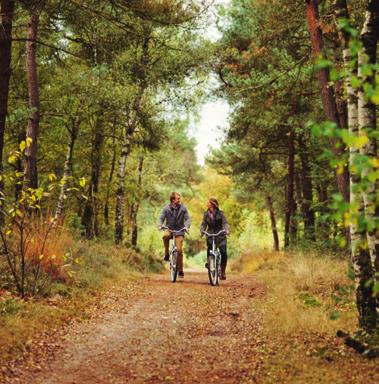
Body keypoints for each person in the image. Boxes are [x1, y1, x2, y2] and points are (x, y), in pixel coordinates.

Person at [158, 192, 190, 278]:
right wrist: (160, 224)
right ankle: (166, 253)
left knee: (179, 250)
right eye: (178, 198)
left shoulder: (183, 208)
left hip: (180, 231)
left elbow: (187, 219)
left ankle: (180, 270)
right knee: (165, 236)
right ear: (173, 200)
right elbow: (161, 217)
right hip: (169, 229)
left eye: (179, 198)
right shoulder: (166, 208)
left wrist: (187, 227)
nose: (179, 200)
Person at [200, 197, 230, 280]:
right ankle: (209, 262)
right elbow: (203, 224)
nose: (207, 204)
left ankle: (223, 271)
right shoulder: (206, 214)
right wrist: (202, 231)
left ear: (213, 204)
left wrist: (227, 230)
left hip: (220, 235)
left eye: (208, 202)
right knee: (209, 249)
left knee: (223, 252)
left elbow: (225, 223)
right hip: (210, 234)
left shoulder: (220, 213)